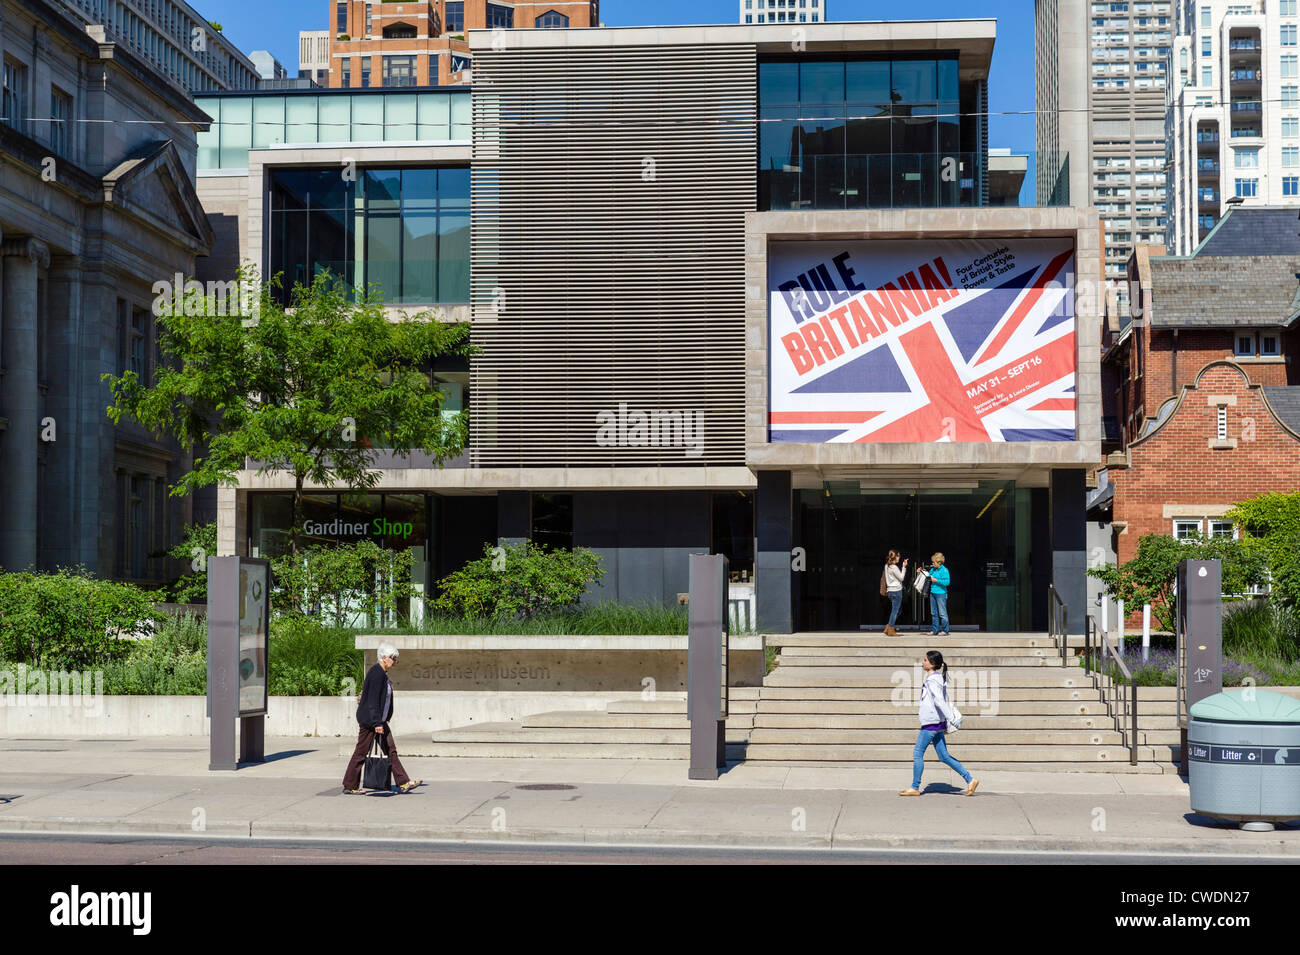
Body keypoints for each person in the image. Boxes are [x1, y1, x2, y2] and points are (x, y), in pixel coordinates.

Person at [343, 642, 422, 794]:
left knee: (390, 750)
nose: (395, 661)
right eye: (393, 658)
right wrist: (377, 722)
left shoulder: (382, 674)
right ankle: (350, 785)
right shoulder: (377, 673)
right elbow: (372, 700)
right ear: (384, 657)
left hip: (379, 720)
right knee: (361, 752)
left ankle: (403, 782)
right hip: (371, 721)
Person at [899, 650, 978, 797]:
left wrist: (951, 718)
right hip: (937, 723)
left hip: (931, 723)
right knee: (944, 756)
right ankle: (970, 779)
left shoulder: (932, 680)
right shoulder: (936, 678)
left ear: (932, 664)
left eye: (925, 660)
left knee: (917, 753)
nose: (922, 662)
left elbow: (939, 701)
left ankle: (914, 787)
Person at [922, 552, 950, 636]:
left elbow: (947, 582)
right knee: (934, 613)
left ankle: (945, 630)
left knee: (942, 613)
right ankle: (935, 630)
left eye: (934, 562)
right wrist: (920, 572)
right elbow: (927, 576)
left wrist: (936, 580)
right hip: (932, 593)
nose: (932, 563)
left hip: (941, 594)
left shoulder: (944, 570)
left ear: (939, 562)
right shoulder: (933, 569)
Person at [882, 550, 908, 636]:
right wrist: (904, 567)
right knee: (895, 611)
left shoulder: (886, 566)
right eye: (898, 556)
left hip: (890, 591)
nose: (899, 558)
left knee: (897, 610)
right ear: (895, 557)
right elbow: (901, 578)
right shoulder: (894, 567)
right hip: (896, 591)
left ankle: (888, 627)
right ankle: (891, 630)